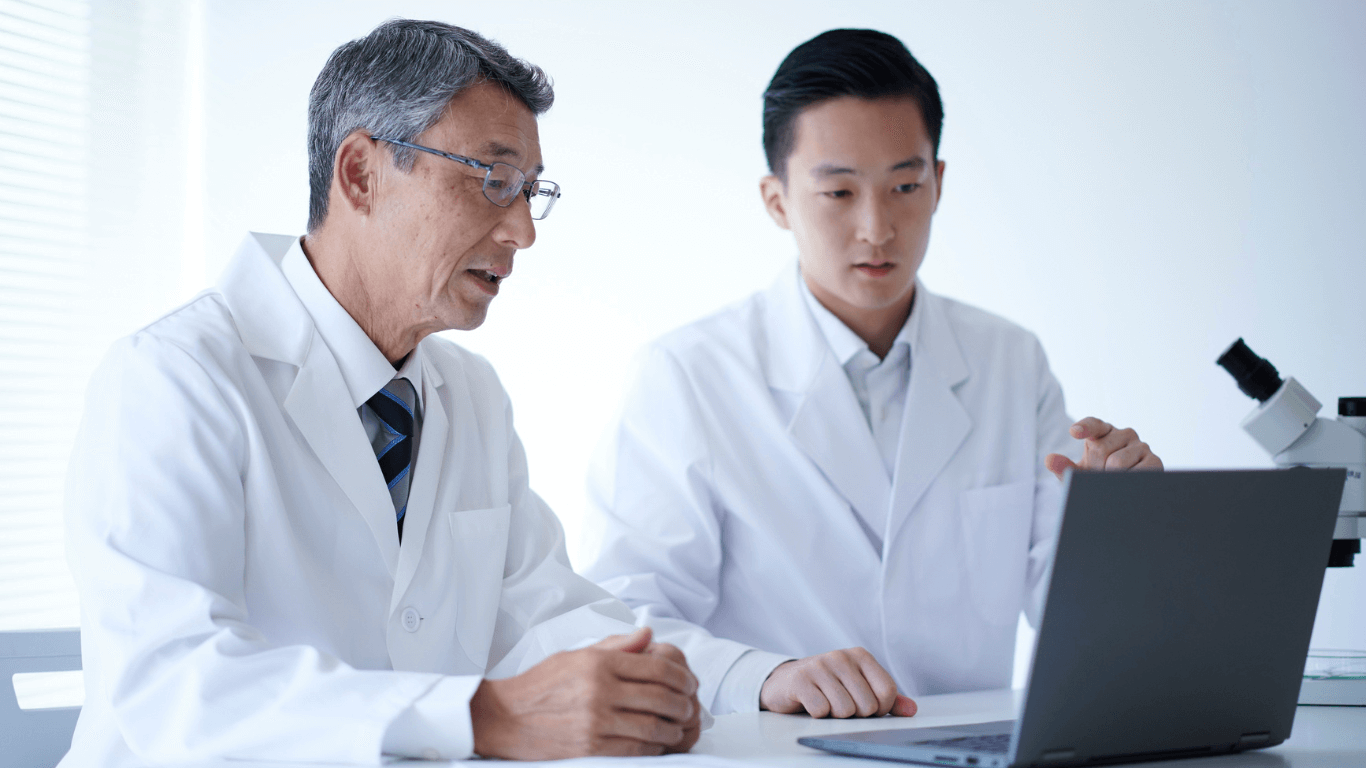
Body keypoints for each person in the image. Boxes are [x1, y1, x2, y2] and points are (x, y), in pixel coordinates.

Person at [62, 20, 703, 766]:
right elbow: (174, 686)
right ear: (361, 173)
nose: (523, 230)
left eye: (531, 191)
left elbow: (544, 612)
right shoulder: (172, 379)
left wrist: (656, 683)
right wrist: (481, 716)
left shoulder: (471, 396)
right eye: (493, 179)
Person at [580, 28, 1163, 720]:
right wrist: (765, 679)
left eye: (905, 185)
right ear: (777, 200)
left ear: (939, 183)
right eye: (838, 193)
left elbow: (1072, 614)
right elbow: (626, 620)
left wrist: (1127, 524)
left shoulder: (1010, 361)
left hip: (966, 749)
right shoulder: (687, 375)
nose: (877, 227)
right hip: (778, 752)